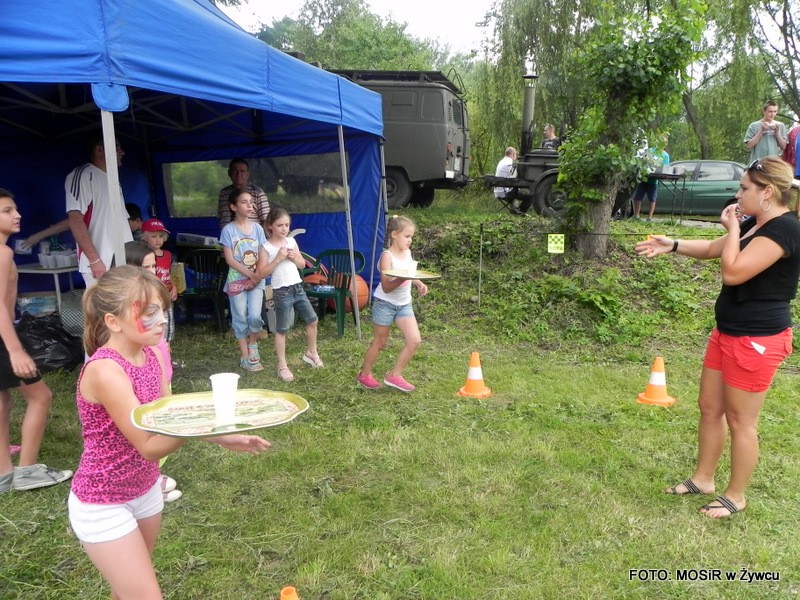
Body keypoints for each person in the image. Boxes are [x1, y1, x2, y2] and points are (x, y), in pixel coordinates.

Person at [67, 265, 269, 597]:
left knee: (128, 591)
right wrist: (210, 425)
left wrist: (222, 436)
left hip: (146, 489)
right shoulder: (105, 371)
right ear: (113, 321)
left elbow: (171, 417)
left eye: (163, 310)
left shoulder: (151, 356)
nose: (162, 320)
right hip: (103, 501)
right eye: (149, 313)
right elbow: (148, 445)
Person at [634, 156, 800, 518]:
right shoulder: (756, 222)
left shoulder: (785, 230)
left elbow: (734, 272)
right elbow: (714, 249)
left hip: (757, 339)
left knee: (742, 421)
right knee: (710, 407)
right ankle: (703, 479)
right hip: (728, 332)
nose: (738, 195)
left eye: (744, 188)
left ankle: (736, 496)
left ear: (767, 192)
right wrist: (672, 244)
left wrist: (735, 230)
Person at [0, 188, 73, 492]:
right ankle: (27, 471)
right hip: (4, 337)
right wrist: (16, 350)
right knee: (40, 397)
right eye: (7, 211)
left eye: (15, 209)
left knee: (2, 400)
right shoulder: (3, 253)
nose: (17, 215)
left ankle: (4, 473)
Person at [124, 240, 181, 503]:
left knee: (161, 418)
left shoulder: (153, 351)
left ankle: (153, 476)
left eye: (153, 266)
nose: (152, 272)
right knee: (147, 427)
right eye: (145, 267)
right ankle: (149, 481)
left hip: (159, 366)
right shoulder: (128, 306)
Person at [358, 215, 428, 392]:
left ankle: (394, 375)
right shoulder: (386, 257)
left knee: (414, 340)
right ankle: (365, 374)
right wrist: (404, 278)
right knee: (380, 342)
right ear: (395, 234)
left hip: (404, 304)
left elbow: (409, 274)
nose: (410, 240)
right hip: (385, 304)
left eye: (411, 237)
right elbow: (387, 287)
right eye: (407, 236)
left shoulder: (408, 253)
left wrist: (418, 283)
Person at [259, 207, 322, 382]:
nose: (284, 228)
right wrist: (278, 259)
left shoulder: (291, 241)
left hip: (297, 287)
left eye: (287, 225)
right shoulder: (266, 247)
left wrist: (294, 257)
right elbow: (262, 273)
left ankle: (311, 352)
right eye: (280, 225)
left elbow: (302, 265)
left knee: (312, 319)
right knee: (282, 329)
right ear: (270, 226)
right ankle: (282, 366)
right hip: (281, 291)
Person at [66, 135, 133, 286]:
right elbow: (75, 219)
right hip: (102, 263)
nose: (122, 152)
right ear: (100, 150)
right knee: (104, 302)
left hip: (122, 263)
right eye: (117, 147)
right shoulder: (83, 175)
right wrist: (94, 260)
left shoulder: (113, 179)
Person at [220, 189, 268, 372]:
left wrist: (256, 277)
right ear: (233, 207)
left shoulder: (258, 229)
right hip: (236, 281)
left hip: (256, 280)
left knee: (255, 316)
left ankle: (253, 344)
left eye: (251, 202)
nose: (250, 205)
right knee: (240, 317)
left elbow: (263, 254)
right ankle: (245, 356)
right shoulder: (228, 230)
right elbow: (230, 260)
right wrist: (251, 275)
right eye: (244, 202)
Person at [20, 203, 143, 253]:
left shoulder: (144, 233)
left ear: (137, 220)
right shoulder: (103, 218)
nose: (121, 227)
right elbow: (71, 222)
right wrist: (38, 236)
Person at [140, 219, 177, 348]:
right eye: (154, 236)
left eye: (161, 236)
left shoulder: (167, 254)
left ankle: (167, 349)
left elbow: (168, 273)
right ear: (145, 237)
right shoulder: (145, 256)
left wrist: (174, 287)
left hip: (167, 294)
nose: (158, 240)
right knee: (154, 322)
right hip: (153, 296)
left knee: (168, 323)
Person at [217, 158, 270, 229]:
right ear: (229, 173)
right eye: (235, 171)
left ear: (248, 174)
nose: (239, 174)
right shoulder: (223, 193)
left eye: (242, 171)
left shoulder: (257, 192)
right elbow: (221, 217)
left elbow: (266, 220)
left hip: (250, 234)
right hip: (227, 234)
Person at [631, 143, 670, 221]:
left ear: (666, 144)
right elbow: (643, 159)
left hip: (654, 180)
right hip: (644, 177)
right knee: (637, 196)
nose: (662, 144)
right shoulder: (650, 150)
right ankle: (636, 215)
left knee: (652, 198)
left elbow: (665, 167)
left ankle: (649, 217)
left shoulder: (665, 155)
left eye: (664, 143)